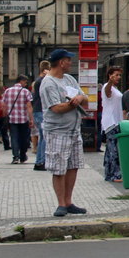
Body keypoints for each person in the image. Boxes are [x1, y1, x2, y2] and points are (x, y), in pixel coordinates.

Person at [39, 49, 90, 217]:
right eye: (68, 60)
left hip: (74, 129)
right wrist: (73, 104)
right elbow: (56, 108)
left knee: (73, 165)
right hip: (57, 131)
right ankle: (61, 203)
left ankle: (68, 201)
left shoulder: (69, 79)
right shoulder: (48, 83)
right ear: (61, 63)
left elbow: (85, 97)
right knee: (59, 167)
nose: (71, 63)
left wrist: (80, 98)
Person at [99, 65, 124, 183]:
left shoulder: (116, 89)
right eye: (116, 75)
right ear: (110, 75)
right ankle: (115, 174)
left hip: (115, 121)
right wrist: (109, 81)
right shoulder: (107, 87)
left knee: (110, 150)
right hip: (111, 122)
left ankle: (109, 174)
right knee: (114, 150)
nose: (119, 77)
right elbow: (107, 91)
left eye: (119, 75)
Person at [2, 75, 33, 164]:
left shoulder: (7, 91)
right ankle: (23, 156)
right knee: (24, 138)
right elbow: (29, 106)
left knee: (14, 137)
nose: (26, 84)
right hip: (23, 119)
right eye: (25, 82)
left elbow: (4, 106)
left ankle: (15, 156)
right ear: (21, 81)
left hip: (12, 119)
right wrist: (31, 119)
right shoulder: (26, 92)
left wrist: (5, 116)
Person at [31, 60, 50, 170]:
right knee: (44, 137)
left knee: (43, 137)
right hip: (41, 111)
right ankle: (41, 161)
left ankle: (39, 161)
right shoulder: (42, 80)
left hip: (37, 110)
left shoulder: (37, 81)